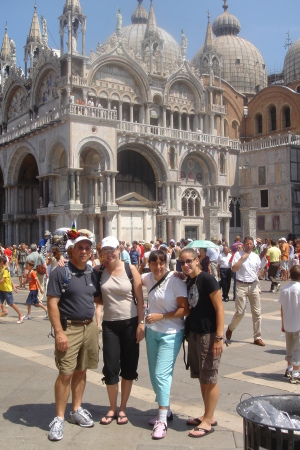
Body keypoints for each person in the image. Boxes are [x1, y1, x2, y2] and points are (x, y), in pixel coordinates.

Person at [47, 236, 101, 441]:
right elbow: (52, 303)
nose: (84, 251)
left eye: (88, 248)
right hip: (69, 328)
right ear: (72, 250)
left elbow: (96, 297)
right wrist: (59, 332)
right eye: (80, 248)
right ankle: (59, 417)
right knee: (65, 373)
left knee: (81, 370)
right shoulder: (61, 271)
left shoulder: (92, 272)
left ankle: (76, 409)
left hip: (89, 327)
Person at [141, 250, 188, 440]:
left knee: (162, 373)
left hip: (171, 332)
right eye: (154, 263)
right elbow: (132, 275)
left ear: (167, 263)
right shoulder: (147, 277)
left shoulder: (175, 280)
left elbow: (185, 309)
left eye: (161, 263)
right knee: (154, 374)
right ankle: (166, 409)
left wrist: (162, 316)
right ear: (149, 264)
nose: (158, 267)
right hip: (152, 332)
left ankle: (162, 420)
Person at [98, 236, 145, 426]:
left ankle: (123, 407)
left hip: (130, 323)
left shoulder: (130, 268)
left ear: (119, 249)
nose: (109, 254)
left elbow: (140, 299)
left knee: (129, 366)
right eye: (105, 251)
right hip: (109, 324)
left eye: (112, 250)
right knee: (110, 367)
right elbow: (80, 272)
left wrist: (141, 323)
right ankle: (112, 407)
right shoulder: (98, 270)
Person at [180, 248, 224, 439]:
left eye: (189, 261)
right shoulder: (189, 280)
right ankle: (208, 414)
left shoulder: (207, 279)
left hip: (209, 334)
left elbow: (220, 309)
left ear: (198, 260)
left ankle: (208, 420)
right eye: (182, 263)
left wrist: (219, 337)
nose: (186, 265)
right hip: (195, 334)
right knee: (201, 376)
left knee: (210, 377)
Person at [226, 236, 265, 346]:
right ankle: (230, 328)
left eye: (251, 244)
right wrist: (242, 257)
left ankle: (257, 337)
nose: (249, 245)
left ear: (253, 245)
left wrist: (259, 285)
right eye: (247, 244)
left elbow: (257, 272)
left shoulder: (256, 256)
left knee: (257, 312)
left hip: (253, 285)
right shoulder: (238, 255)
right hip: (241, 285)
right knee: (240, 312)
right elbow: (234, 269)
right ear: (243, 244)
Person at [279, 265, 300, 384]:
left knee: (289, 347)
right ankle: (295, 374)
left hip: (288, 323)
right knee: (297, 349)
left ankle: (289, 368)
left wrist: (283, 323)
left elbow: (282, 307)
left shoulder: (285, 289)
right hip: (298, 323)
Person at [0, 255, 25, 323]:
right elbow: (10, 279)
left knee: (11, 304)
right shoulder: (2, 269)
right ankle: (4, 311)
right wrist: (13, 286)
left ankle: (21, 315)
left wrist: (13, 287)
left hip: (7, 290)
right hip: (2, 289)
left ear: (1, 262)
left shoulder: (5, 269)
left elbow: (3, 280)